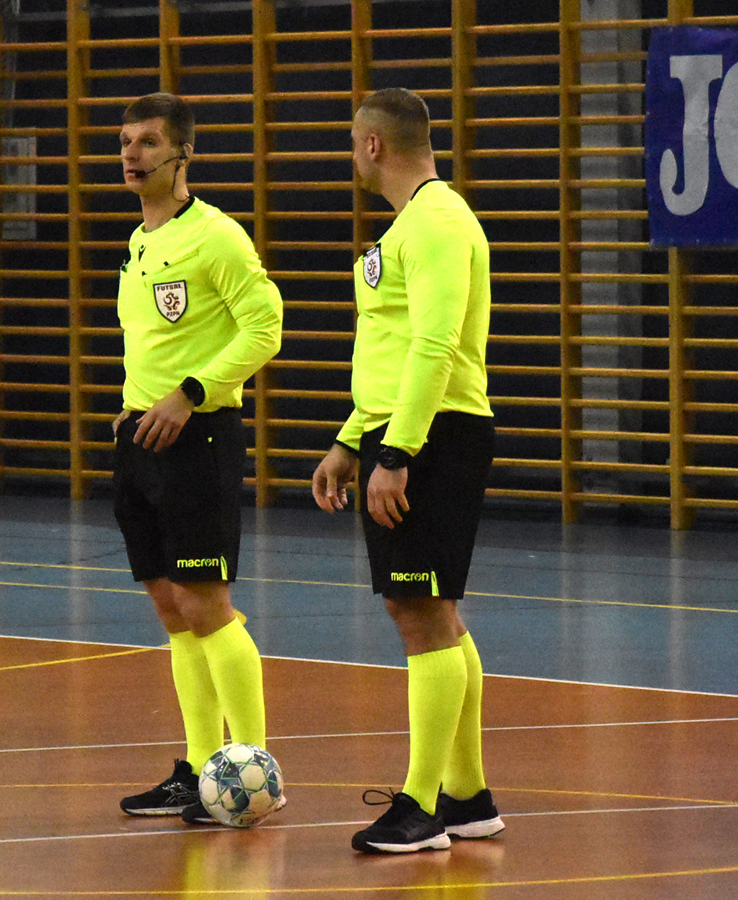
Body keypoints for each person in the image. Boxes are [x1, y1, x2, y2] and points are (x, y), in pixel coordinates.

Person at [312, 87, 502, 854]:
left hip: (436, 436)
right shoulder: (404, 229)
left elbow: (434, 346)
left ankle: (421, 806)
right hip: (399, 430)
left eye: (351, 143)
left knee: (422, 613)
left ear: (373, 146)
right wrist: (352, 439)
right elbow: (389, 351)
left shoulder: (438, 221)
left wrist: (398, 454)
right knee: (430, 614)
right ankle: (468, 795)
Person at [111, 92, 283, 826]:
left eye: (149, 142)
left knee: (208, 605)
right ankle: (196, 768)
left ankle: (252, 769)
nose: (132, 154)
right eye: (125, 142)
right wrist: (133, 404)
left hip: (199, 440)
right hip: (139, 445)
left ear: (183, 154)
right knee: (172, 609)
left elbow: (265, 328)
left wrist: (189, 393)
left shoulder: (217, 237)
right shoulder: (138, 240)